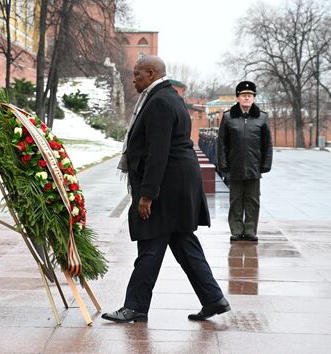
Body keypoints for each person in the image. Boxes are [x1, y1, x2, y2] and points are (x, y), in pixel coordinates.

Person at [103, 55, 230, 323]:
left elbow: (157, 152)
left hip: (166, 187)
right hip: (177, 184)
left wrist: (147, 195)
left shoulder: (159, 101)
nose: (134, 78)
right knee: (184, 243)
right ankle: (213, 298)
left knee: (150, 244)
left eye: (137, 73)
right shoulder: (166, 96)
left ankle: (135, 306)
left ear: (151, 73)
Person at [217, 81, 272, 242]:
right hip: (235, 166)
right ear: (238, 98)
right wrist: (223, 165)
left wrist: (266, 164)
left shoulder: (262, 117)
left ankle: (250, 230)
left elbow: (267, 144)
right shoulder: (228, 117)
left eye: (249, 95)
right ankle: (236, 230)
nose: (247, 98)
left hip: (254, 167)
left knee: (252, 200)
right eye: (243, 95)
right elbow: (222, 144)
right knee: (235, 200)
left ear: (254, 98)